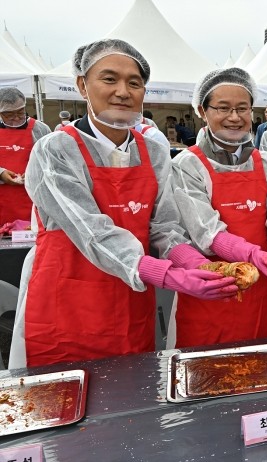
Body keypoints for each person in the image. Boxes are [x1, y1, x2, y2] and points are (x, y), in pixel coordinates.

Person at [9, 39, 238, 369]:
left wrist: (189, 260)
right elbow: (90, 230)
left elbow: (164, 225)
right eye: (109, 78)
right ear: (82, 85)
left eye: (134, 82)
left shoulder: (154, 151)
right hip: (67, 298)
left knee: (129, 396)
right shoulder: (54, 150)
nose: (122, 91)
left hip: (131, 300)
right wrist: (166, 274)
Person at [169, 67, 267, 348]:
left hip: (263, 288)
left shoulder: (264, 162)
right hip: (212, 287)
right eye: (223, 108)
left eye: (243, 108)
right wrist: (250, 253)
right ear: (202, 111)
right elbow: (205, 230)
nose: (235, 117)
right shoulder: (188, 165)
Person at [0, 87, 51, 224]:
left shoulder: (40, 129)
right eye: (9, 114)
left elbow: (52, 162)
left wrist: (33, 173)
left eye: (20, 112)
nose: (16, 118)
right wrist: (1, 173)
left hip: (32, 198)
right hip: (3, 202)